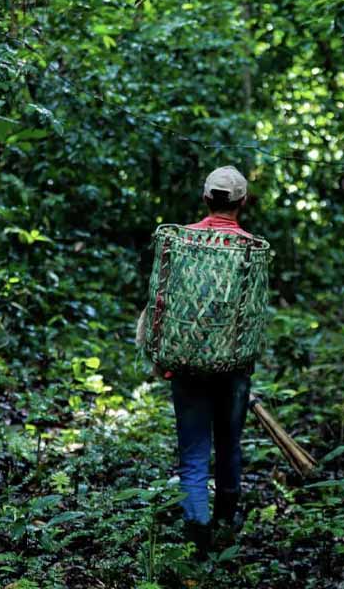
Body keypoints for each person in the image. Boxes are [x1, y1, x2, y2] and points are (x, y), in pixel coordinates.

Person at [140, 166, 257, 559]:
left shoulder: (179, 242)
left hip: (186, 364)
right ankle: (225, 526)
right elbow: (253, 316)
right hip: (234, 369)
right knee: (229, 446)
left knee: (193, 454)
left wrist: (160, 354)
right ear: (243, 202)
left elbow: (159, 302)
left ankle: (198, 537)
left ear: (206, 198)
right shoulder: (251, 251)